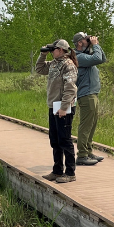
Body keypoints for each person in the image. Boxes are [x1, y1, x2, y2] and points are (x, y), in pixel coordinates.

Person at [35, 39, 79, 184]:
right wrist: (43, 55)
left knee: (65, 140)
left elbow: (71, 88)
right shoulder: (54, 63)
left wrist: (64, 108)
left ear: (61, 50)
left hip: (63, 107)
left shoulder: (68, 65)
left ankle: (70, 172)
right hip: (53, 106)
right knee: (55, 140)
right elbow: (39, 69)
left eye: (53, 49)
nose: (52, 51)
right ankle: (57, 170)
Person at [73, 32, 107, 167]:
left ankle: (88, 152)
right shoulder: (78, 56)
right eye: (85, 39)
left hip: (92, 94)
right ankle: (82, 155)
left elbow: (102, 58)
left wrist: (96, 46)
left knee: (92, 124)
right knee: (86, 125)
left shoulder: (86, 55)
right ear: (80, 43)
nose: (89, 40)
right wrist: (95, 45)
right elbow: (98, 59)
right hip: (86, 95)